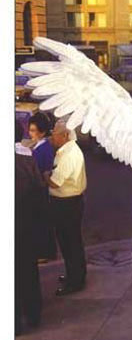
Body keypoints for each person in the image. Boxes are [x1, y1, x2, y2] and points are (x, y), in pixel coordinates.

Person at [44, 119, 88, 295]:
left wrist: (44, 175)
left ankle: (75, 282)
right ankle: (75, 275)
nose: (52, 137)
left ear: (65, 135)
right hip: (70, 202)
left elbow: (55, 182)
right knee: (72, 242)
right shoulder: (69, 150)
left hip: (66, 204)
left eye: (54, 134)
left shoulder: (68, 155)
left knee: (69, 243)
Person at [15, 120, 46, 334]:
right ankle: (33, 315)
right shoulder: (28, 160)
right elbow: (40, 193)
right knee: (29, 271)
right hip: (28, 226)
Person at [28, 112, 57, 261]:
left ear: (42, 132)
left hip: (41, 189)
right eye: (30, 130)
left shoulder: (45, 148)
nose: (30, 133)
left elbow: (47, 170)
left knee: (42, 222)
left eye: (33, 130)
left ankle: (45, 253)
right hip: (36, 188)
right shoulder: (37, 145)